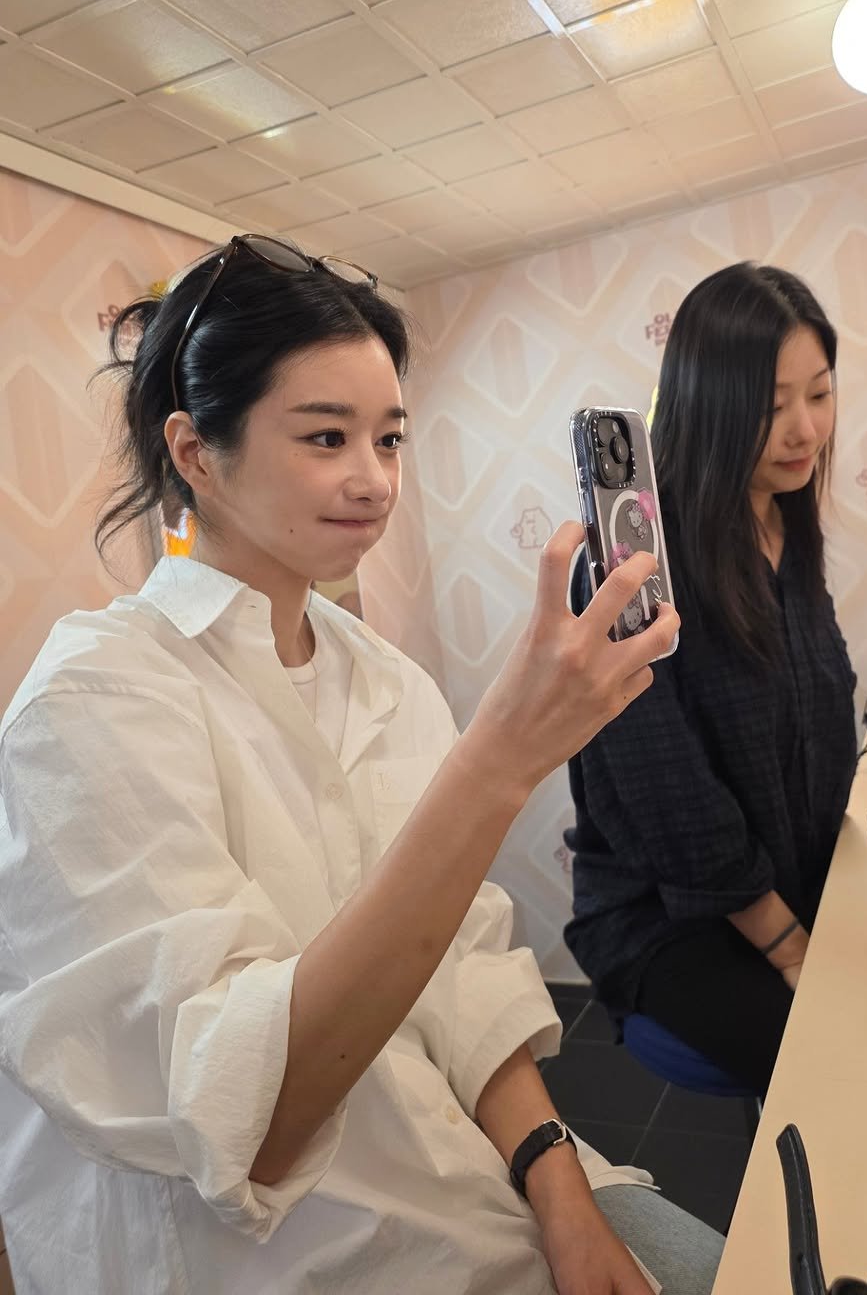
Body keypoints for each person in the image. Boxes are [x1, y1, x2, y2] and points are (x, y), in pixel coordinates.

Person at [0, 236, 730, 1294]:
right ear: (198, 453)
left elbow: (463, 975)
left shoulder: (388, 684)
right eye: (326, 436)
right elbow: (246, 1115)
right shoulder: (95, 699)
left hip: (479, 1190)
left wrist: (563, 1189)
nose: (374, 480)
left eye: (390, 438)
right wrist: (501, 762)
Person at [565, 262, 858, 1095]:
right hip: (670, 919)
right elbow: (664, 795)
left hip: (785, 882)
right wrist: (789, 945)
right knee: (844, 1074)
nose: (805, 430)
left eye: (821, 394)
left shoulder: (787, 530)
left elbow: (819, 710)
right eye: (770, 409)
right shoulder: (633, 569)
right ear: (707, 406)